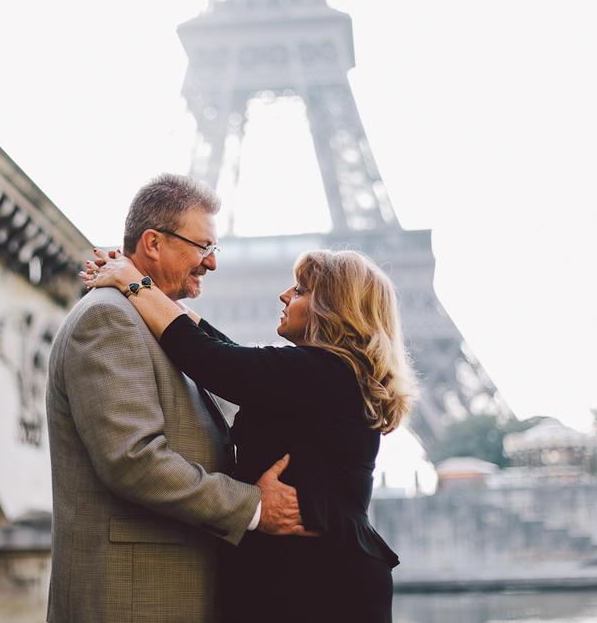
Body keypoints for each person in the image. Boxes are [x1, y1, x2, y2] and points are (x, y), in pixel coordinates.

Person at [83, 246, 419, 623]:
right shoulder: (331, 376)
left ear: (332, 308)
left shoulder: (322, 373)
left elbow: (210, 358)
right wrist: (149, 289)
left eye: (301, 290)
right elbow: (226, 351)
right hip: (317, 571)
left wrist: (134, 282)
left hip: (313, 581)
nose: (284, 295)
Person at [45, 174, 310, 623]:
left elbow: (231, 375)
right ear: (153, 242)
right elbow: (133, 459)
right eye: (202, 247)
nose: (211, 264)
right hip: (133, 599)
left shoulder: (150, 320)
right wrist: (253, 506)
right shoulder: (109, 320)